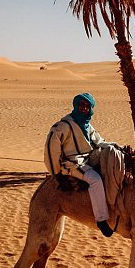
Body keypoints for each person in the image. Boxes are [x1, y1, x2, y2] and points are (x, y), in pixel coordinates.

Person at [45, 93, 125, 238]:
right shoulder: (64, 126)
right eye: (81, 105)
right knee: (95, 179)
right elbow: (52, 146)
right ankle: (101, 220)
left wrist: (117, 147)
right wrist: (55, 171)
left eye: (87, 106)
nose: (84, 108)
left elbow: (99, 142)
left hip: (87, 160)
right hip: (72, 163)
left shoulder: (87, 125)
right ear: (76, 106)